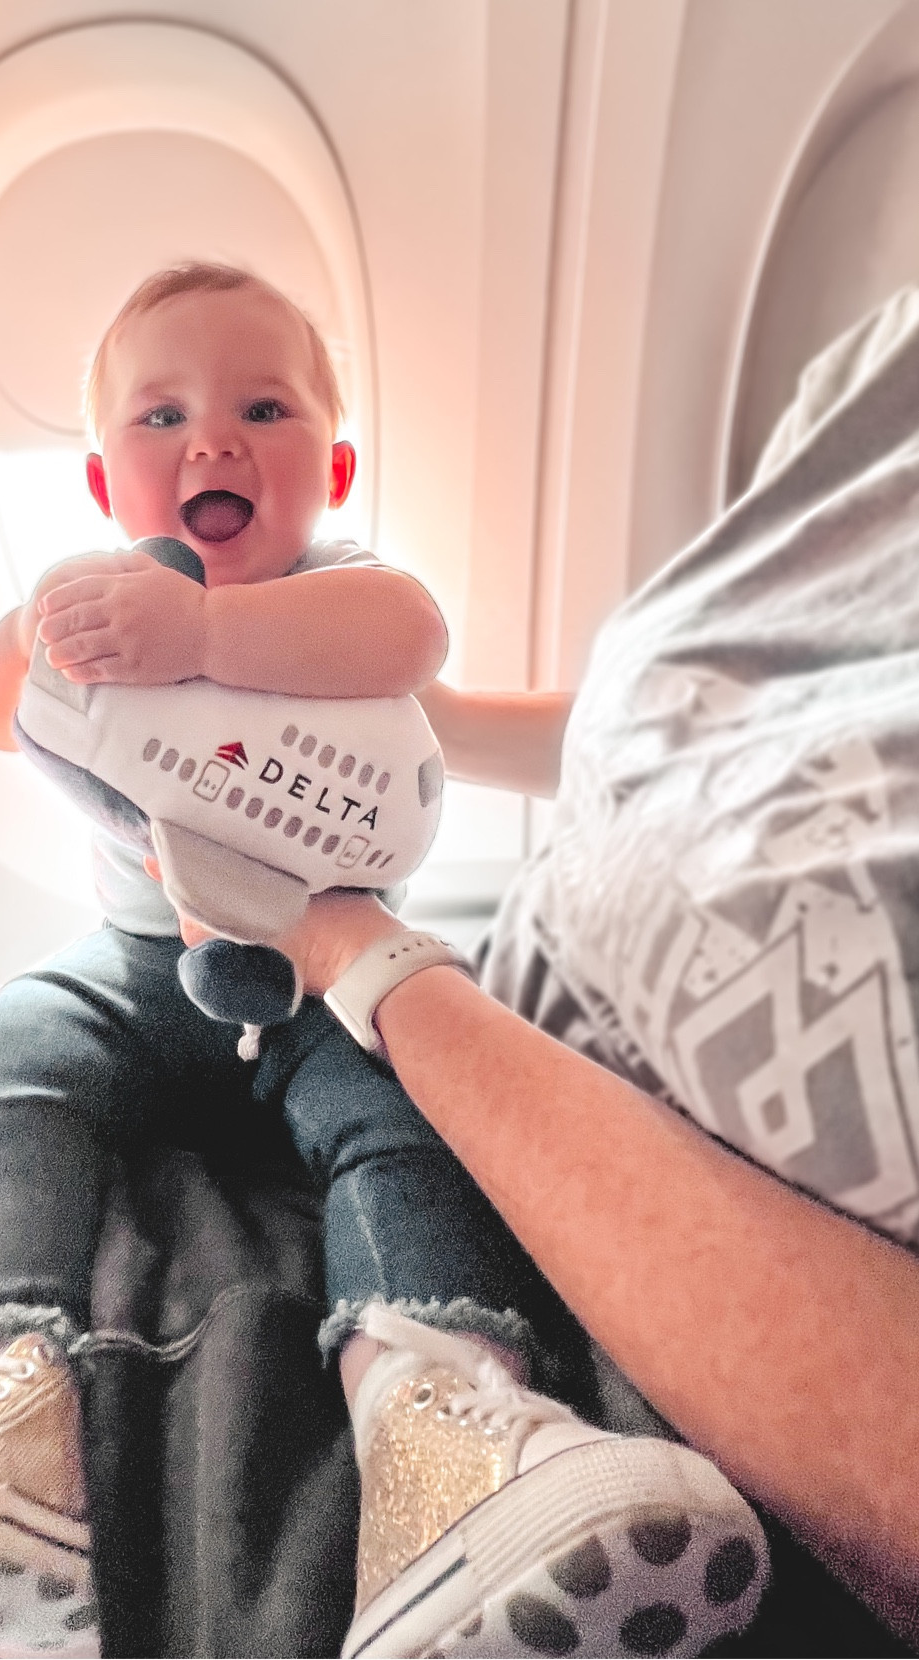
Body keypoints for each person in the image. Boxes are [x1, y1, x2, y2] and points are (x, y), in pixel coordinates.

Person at [0, 263, 769, 1658]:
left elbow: (410, 642)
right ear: (106, 482)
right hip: (137, 972)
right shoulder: (97, 601)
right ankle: (0, 1396)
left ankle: (438, 1416)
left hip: (320, 985)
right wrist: (61, 622)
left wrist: (210, 633)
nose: (211, 442)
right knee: (5, 1053)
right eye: (159, 418)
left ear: (332, 467)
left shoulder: (339, 597)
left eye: (261, 407)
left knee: (403, 1113)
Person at [242, 290, 919, 1650]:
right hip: (483, 1048)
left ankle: (439, 1446)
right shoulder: (879, 362)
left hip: (684, 1409)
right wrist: (411, 738)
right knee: (5, 1060)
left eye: (263, 408)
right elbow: (700, 730)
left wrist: (348, 946)